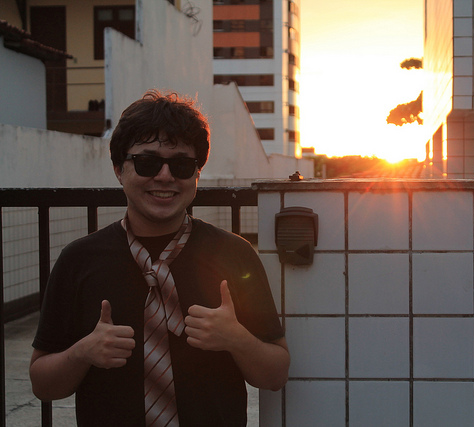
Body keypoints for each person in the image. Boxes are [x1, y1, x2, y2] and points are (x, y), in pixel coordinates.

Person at [30, 90, 289, 426]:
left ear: (197, 174)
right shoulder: (78, 260)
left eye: (181, 165)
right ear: (118, 169)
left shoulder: (234, 254)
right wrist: (83, 353)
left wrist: (236, 339)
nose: (165, 176)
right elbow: (42, 385)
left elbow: (275, 375)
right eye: (147, 162)